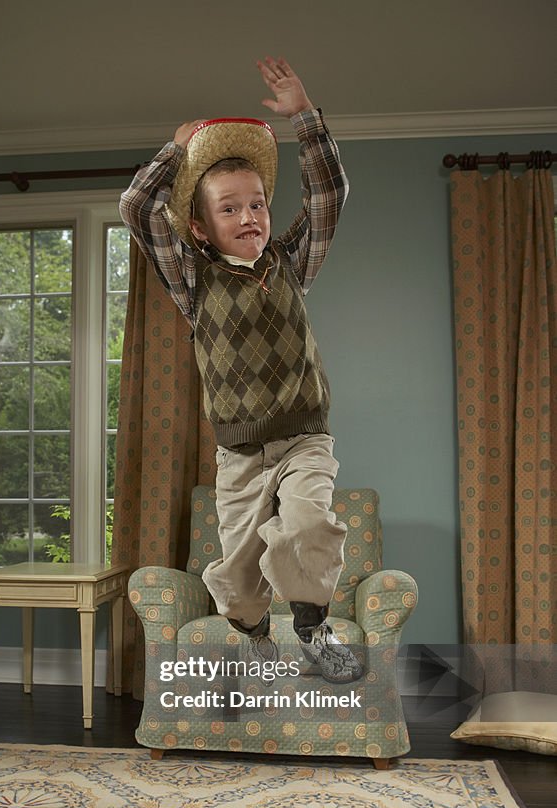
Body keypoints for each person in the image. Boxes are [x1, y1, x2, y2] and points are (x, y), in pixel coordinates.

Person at [120, 56, 362, 683]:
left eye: (256, 204)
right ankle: (256, 635)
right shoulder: (193, 281)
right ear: (200, 228)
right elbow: (139, 209)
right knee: (237, 577)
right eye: (229, 209)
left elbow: (328, 195)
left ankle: (312, 629)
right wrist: (176, 153)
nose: (249, 216)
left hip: (305, 437)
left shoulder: (290, 263)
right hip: (241, 456)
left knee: (307, 525)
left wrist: (306, 119)